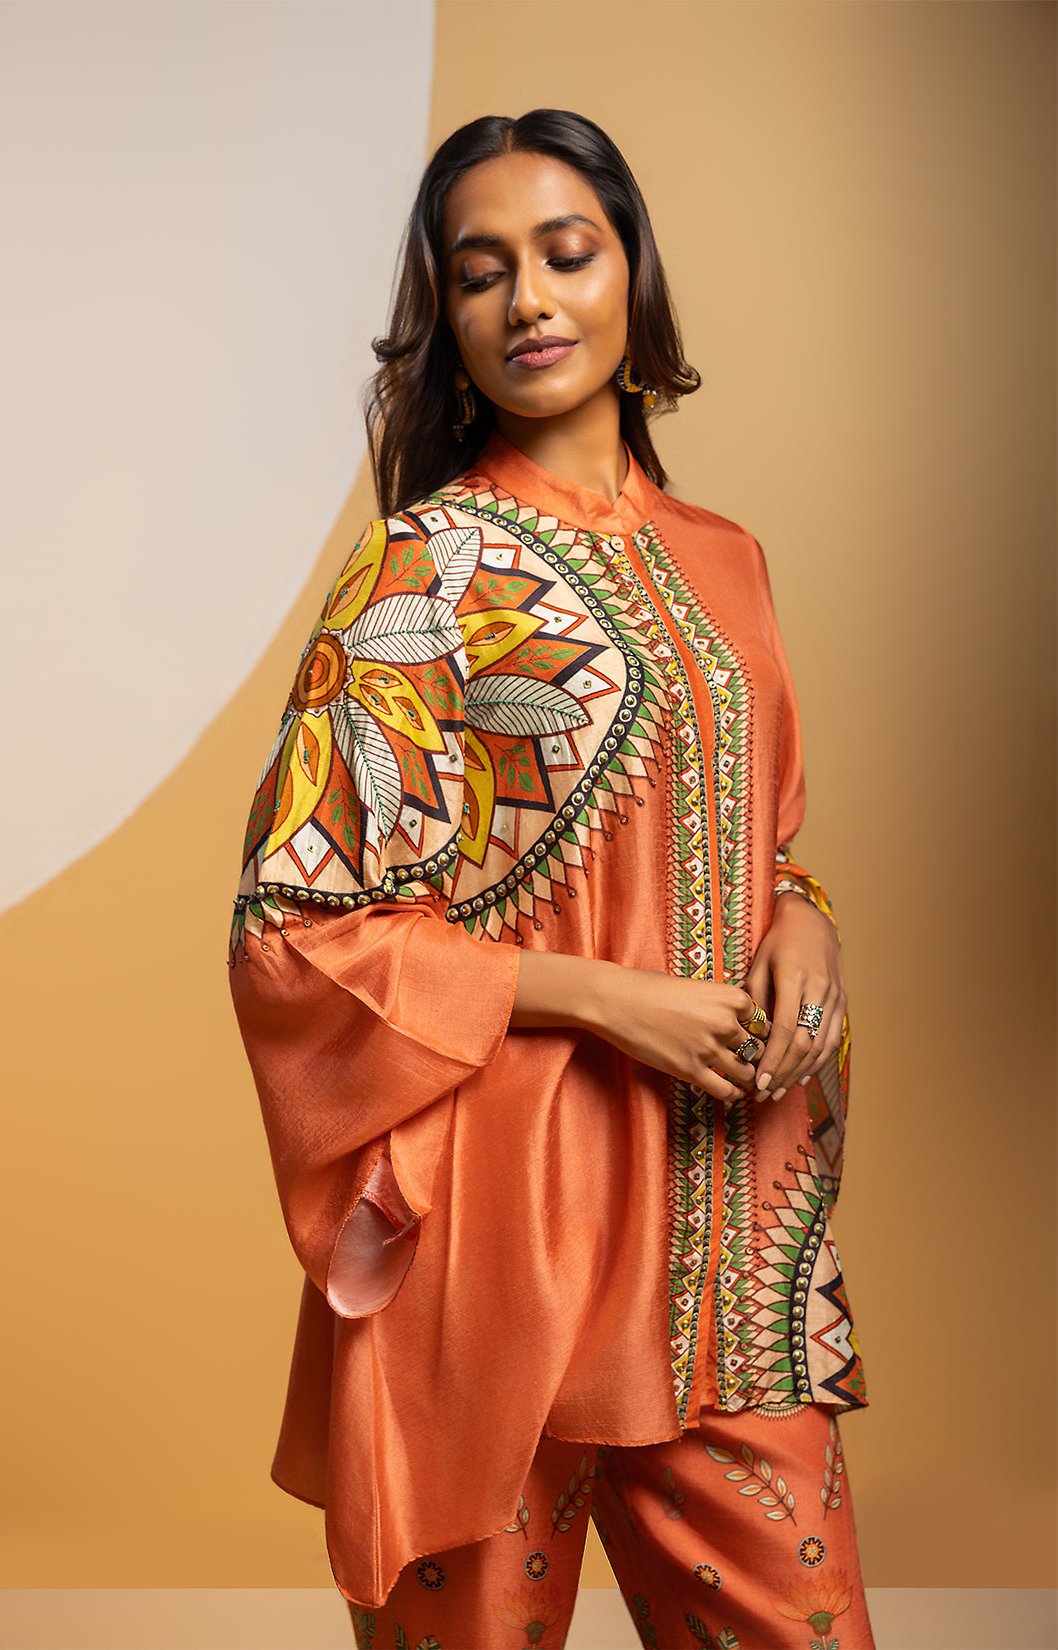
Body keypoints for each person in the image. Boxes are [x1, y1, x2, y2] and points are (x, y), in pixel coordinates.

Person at [230, 109, 875, 1650]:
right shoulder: (421, 573)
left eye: (567, 253)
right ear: (449, 324)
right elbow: (297, 930)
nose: (528, 297)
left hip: (727, 1237)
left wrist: (803, 916)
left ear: (632, 276)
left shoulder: (727, 559)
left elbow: (760, 836)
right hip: (496, 1246)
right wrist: (604, 1000)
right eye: (481, 272)